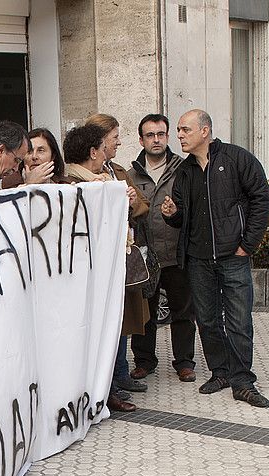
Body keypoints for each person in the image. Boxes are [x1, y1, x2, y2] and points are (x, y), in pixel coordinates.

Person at [162, 108, 269, 408]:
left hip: (233, 257)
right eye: (179, 131)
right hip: (198, 260)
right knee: (208, 321)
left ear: (204, 131)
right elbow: (183, 217)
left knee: (238, 321)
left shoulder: (237, 159)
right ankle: (220, 372)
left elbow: (263, 199)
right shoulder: (184, 172)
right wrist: (173, 215)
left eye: (185, 130)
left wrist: (246, 245)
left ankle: (242, 381)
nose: (180, 135)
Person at [63, 123, 148, 414]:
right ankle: (104, 392)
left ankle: (109, 387)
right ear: (93, 152)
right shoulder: (75, 185)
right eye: (104, 146)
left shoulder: (100, 181)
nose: (107, 154)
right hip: (89, 273)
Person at [85, 113, 153, 410]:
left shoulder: (119, 170)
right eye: (114, 138)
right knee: (109, 319)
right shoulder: (80, 176)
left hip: (124, 254)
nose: (119, 142)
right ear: (98, 144)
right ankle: (111, 381)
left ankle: (122, 374)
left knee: (124, 315)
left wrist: (131, 201)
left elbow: (142, 206)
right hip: (102, 260)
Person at [129, 113, 196, 383]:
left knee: (183, 312)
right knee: (145, 313)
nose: (156, 140)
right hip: (146, 256)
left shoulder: (183, 169)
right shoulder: (131, 174)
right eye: (150, 135)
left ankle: (184, 362)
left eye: (161, 134)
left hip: (177, 253)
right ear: (141, 139)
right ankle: (144, 361)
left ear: (167, 136)